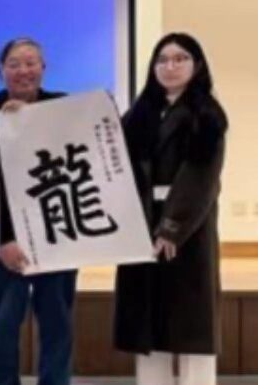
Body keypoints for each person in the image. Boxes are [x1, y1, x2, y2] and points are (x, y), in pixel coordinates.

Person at [114, 33, 228, 385]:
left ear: (197, 65)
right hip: (141, 222)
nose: (170, 66)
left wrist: (171, 227)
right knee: (148, 322)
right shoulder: (139, 113)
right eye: (162, 59)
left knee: (191, 322)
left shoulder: (207, 114)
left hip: (187, 228)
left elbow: (201, 177)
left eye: (180, 59)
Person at [0, 38, 72, 385]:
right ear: (0, 71)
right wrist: (3, 239)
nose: (23, 71)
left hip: (57, 236)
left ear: (44, 68)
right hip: (7, 243)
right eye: (14, 64)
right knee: (3, 324)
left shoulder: (63, 108)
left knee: (57, 322)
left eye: (31, 63)